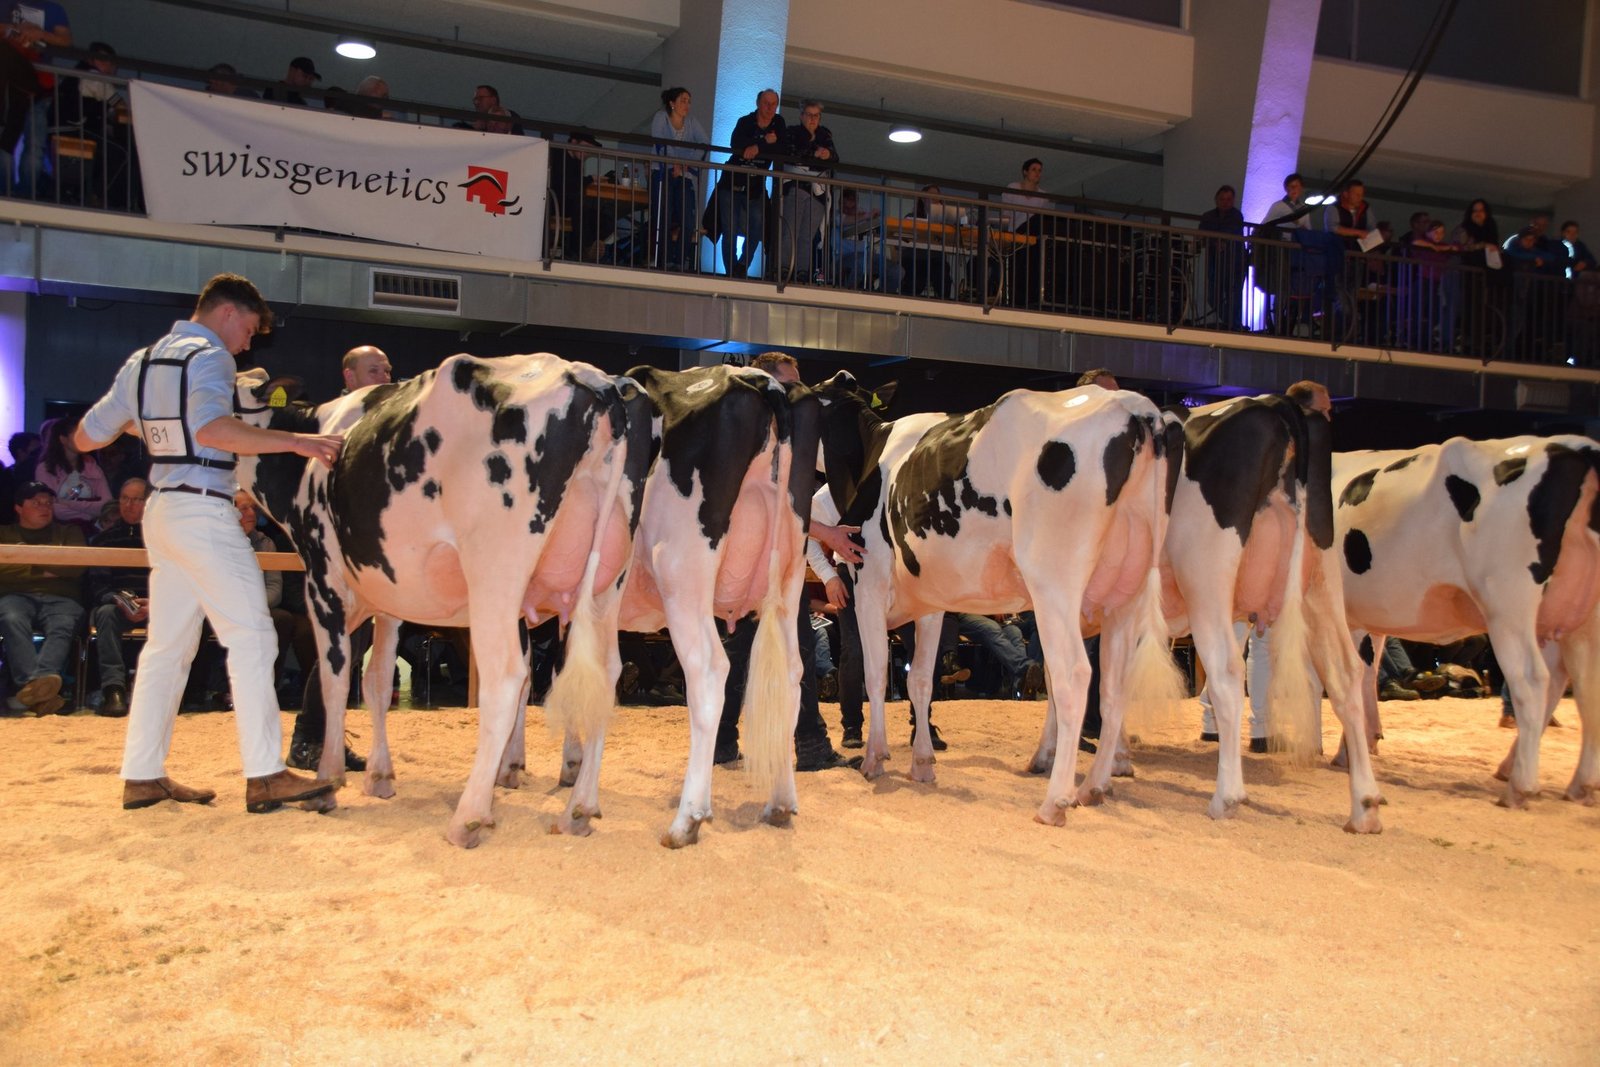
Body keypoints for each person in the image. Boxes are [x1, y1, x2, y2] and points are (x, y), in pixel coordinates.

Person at [72, 272, 342, 814]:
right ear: (227, 312)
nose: (247, 344)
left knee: (166, 649)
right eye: (249, 330)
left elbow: (86, 435)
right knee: (253, 638)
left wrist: (153, 426)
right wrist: (297, 441)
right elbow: (214, 430)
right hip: (202, 509)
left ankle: (142, 775)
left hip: (162, 512)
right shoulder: (211, 356)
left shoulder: (142, 360)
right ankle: (265, 774)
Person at [715, 351, 861, 771]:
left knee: (749, 651)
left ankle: (727, 743)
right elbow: (771, 505)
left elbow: (826, 465)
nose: (799, 393)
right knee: (776, 650)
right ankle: (806, 745)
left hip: (764, 563)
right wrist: (828, 533)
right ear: (767, 385)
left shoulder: (777, 433)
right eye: (791, 384)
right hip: (759, 564)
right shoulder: (756, 438)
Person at [0, 479, 84, 714]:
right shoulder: (4, 534)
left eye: (48, 502)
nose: (45, 507)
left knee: (63, 624)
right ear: (18, 507)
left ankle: (31, 691)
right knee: (11, 618)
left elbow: (76, 566)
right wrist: (48, 567)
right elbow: (2, 571)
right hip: (15, 596)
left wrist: (23, 565)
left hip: (62, 597)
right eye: (36, 502)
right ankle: (40, 689)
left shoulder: (69, 532)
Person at [83, 477, 149, 716]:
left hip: (157, 605)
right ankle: (114, 690)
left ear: (148, 502)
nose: (129, 505)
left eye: (136, 499)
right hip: (118, 605)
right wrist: (122, 603)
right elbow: (98, 586)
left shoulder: (163, 539)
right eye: (124, 498)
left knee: (182, 614)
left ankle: (167, 691)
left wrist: (155, 604)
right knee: (105, 613)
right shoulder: (104, 540)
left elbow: (176, 581)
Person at [712, 88, 784, 278]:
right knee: (729, 229)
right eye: (766, 103)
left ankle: (742, 265)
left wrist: (757, 146)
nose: (770, 107)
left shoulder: (778, 123)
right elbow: (736, 143)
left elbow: (781, 148)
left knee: (757, 226)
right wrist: (763, 142)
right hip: (731, 181)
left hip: (756, 186)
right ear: (758, 103)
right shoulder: (745, 121)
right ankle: (731, 271)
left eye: (773, 104)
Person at [1, 0, 70, 198]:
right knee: (7, 138)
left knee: (34, 144)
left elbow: (65, 39)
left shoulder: (53, 8)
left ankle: (26, 194)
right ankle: (5, 191)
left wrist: (39, 34)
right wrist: (19, 29)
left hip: (39, 85)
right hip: (8, 83)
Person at [776, 100, 837, 284]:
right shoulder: (792, 132)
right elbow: (791, 154)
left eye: (816, 115)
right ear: (801, 115)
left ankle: (802, 271)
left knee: (807, 235)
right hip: (796, 186)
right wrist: (814, 154)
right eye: (809, 115)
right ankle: (784, 268)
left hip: (817, 192)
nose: (812, 119)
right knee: (790, 230)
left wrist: (827, 155)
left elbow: (835, 158)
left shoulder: (824, 135)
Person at [649, 86, 708, 272]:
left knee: (688, 220)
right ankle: (664, 259)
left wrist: (685, 164)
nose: (687, 105)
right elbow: (660, 141)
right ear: (672, 103)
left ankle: (681, 260)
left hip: (685, 174)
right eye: (683, 100)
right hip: (662, 172)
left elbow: (704, 143)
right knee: (664, 216)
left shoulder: (691, 122)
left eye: (689, 101)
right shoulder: (661, 117)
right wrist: (673, 162)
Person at [34, 415, 109, 534]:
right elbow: (54, 509)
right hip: (59, 533)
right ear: (63, 439)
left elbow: (107, 505)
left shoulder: (92, 466)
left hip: (92, 532)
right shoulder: (45, 469)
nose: (85, 439)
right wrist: (91, 511)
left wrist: (66, 503)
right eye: (78, 435)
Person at [1198, 184, 1246, 329]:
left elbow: (1231, 231)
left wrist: (1218, 240)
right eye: (1222, 199)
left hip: (1235, 263)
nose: (1225, 202)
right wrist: (1215, 242)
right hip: (1215, 263)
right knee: (1213, 297)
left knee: (1234, 296)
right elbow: (1202, 236)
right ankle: (1231, 323)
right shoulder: (1208, 216)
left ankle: (1234, 324)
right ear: (1216, 200)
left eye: (1228, 199)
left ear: (1233, 200)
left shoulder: (1236, 215)